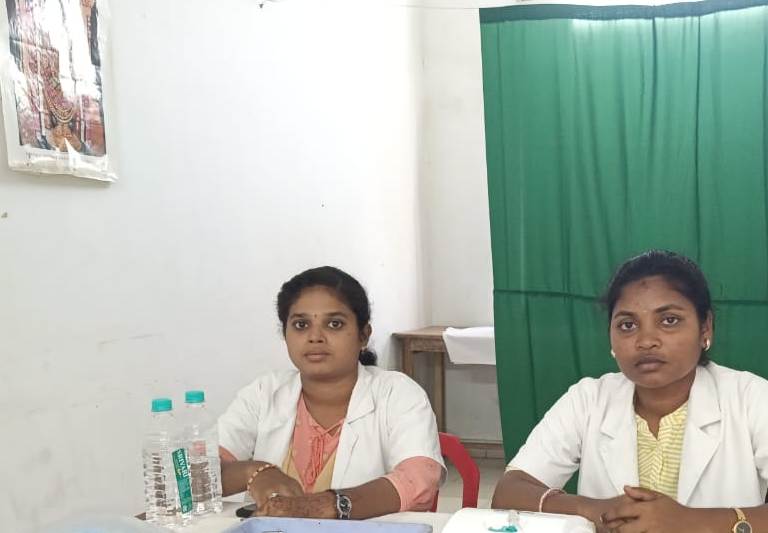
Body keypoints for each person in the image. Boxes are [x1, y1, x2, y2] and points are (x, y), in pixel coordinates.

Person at [492, 250, 768, 532]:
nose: (646, 341)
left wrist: (689, 521)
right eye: (627, 325)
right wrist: (593, 509)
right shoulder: (589, 399)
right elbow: (508, 492)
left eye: (669, 320)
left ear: (705, 327)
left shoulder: (752, 398)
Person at [218, 266, 444, 519]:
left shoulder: (397, 393)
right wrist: (254, 472)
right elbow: (198, 474)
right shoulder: (263, 393)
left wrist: (329, 505)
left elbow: (420, 478)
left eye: (334, 324)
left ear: (363, 335)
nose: (315, 337)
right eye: (301, 324)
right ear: (285, 334)